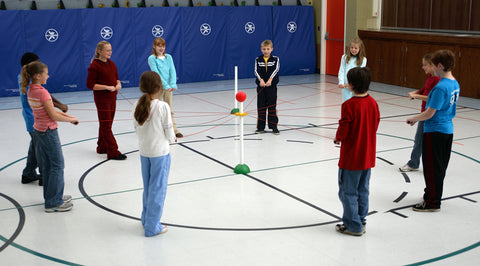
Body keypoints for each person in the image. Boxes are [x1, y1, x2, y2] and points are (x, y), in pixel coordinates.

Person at [406, 50, 460, 212]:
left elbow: (430, 112)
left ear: (440, 66)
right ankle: (432, 193)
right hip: (447, 130)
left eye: (434, 65)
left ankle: (432, 202)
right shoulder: (454, 83)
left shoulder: (440, 87)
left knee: (431, 168)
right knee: (439, 167)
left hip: (435, 131)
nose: (432, 68)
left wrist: (414, 118)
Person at [21, 61, 78, 212]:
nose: (49, 75)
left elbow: (49, 111)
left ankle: (53, 196)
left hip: (39, 131)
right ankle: (53, 202)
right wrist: (70, 119)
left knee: (47, 166)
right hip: (48, 132)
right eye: (46, 73)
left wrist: (69, 116)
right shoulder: (42, 92)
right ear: (39, 76)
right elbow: (52, 115)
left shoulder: (31, 90)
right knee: (57, 165)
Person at [334, 67, 380, 236]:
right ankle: (361, 219)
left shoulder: (349, 105)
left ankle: (353, 225)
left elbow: (344, 127)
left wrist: (338, 137)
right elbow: (375, 124)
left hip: (352, 157)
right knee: (363, 189)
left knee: (348, 191)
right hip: (367, 155)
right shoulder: (373, 103)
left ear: (351, 85)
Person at [133, 71, 176, 237]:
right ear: (159, 88)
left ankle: (146, 219)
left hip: (144, 152)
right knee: (158, 189)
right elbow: (168, 130)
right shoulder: (162, 106)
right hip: (160, 153)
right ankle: (152, 226)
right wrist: (172, 139)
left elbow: (136, 128)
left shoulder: (137, 104)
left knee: (149, 187)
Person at [19, 52, 68, 185]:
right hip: (35, 120)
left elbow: (46, 94)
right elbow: (43, 96)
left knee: (35, 146)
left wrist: (58, 105)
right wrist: (60, 107)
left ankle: (28, 173)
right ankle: (43, 175)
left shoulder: (27, 79)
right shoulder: (28, 81)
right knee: (41, 149)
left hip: (33, 119)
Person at [400, 54, 441, 172]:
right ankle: (414, 162)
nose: (423, 67)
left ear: (432, 66)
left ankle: (415, 163)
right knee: (419, 140)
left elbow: (431, 98)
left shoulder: (437, 80)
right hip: (424, 112)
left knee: (422, 140)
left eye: (425, 65)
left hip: (430, 115)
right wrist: (416, 92)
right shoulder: (429, 76)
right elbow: (424, 90)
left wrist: (416, 96)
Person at [86, 41, 126, 160]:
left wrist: (118, 84)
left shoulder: (111, 64)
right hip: (102, 99)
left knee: (106, 123)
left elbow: (117, 79)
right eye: (107, 50)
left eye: (111, 50)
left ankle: (102, 147)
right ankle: (113, 151)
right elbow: (90, 85)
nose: (110, 52)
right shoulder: (94, 66)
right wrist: (106, 87)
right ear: (100, 51)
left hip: (112, 97)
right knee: (106, 125)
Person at [147, 37, 183, 138]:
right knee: (156, 109)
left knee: (169, 109)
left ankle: (174, 130)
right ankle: (154, 130)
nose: (161, 48)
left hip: (169, 88)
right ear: (154, 46)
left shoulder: (169, 57)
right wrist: (165, 85)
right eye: (159, 46)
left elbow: (172, 70)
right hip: (158, 87)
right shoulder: (152, 59)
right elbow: (156, 73)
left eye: (163, 46)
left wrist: (172, 85)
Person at [254, 39, 280, 135]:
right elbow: (256, 71)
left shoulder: (275, 59)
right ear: (261, 49)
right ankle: (260, 127)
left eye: (268, 49)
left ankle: (274, 127)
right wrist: (261, 80)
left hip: (271, 87)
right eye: (264, 49)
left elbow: (276, 69)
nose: (266, 51)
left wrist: (270, 80)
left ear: (271, 49)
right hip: (261, 87)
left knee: (272, 107)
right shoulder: (258, 59)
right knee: (261, 107)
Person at [338, 37, 367, 102]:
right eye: (352, 47)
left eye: (356, 48)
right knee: (347, 103)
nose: (353, 50)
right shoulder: (344, 57)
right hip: (346, 87)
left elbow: (360, 75)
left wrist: (351, 83)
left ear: (360, 49)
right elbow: (341, 70)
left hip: (357, 87)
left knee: (356, 103)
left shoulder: (363, 60)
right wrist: (341, 82)